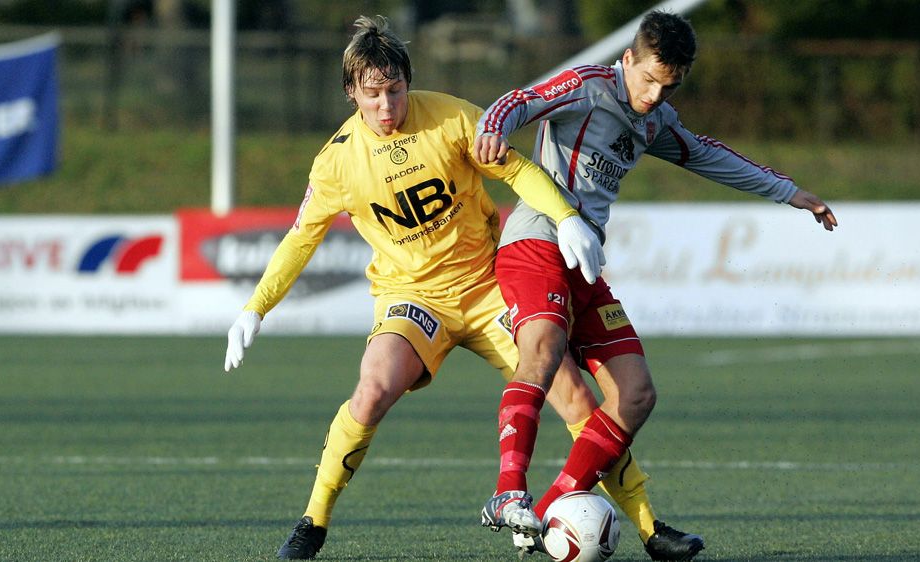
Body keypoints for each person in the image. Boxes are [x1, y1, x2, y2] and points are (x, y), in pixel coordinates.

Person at [222, 15, 695, 561]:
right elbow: (301, 238)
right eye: (373, 94)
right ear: (351, 92)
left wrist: (566, 218)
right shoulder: (336, 162)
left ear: (408, 81)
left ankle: (648, 527)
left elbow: (518, 170)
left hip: (487, 283)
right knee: (372, 389)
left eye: (395, 90)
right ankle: (313, 521)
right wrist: (255, 308)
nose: (386, 106)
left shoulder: (450, 117)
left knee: (575, 397)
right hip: (412, 297)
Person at [474, 9, 838, 561]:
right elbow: (520, 100)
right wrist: (493, 128)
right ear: (628, 59)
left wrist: (787, 192)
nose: (652, 96)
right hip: (536, 244)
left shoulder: (655, 120)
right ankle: (508, 493)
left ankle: (547, 512)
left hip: (586, 265)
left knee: (636, 394)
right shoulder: (587, 86)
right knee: (543, 351)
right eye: (647, 80)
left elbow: (708, 155)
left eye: (668, 87)